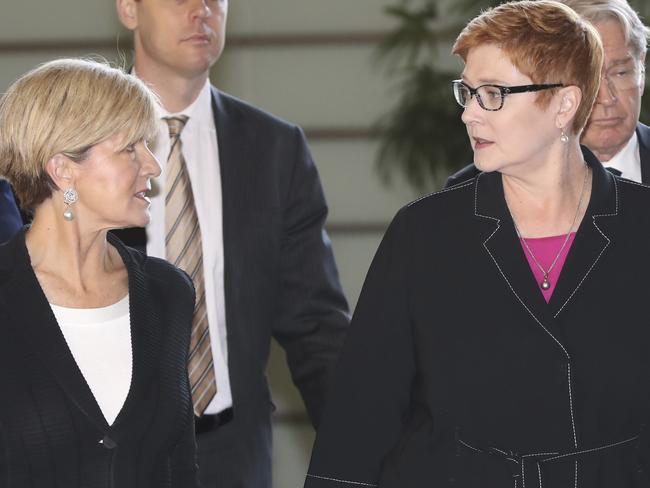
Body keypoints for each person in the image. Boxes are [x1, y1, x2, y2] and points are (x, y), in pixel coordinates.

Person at [304, 1, 650, 486]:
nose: (469, 114)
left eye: (493, 94)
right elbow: (359, 421)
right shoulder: (423, 234)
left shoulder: (641, 226)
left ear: (565, 104)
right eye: (466, 93)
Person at [113, 1, 350, 486]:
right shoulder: (78, 146)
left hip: (233, 455)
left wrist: (367, 451)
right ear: (129, 9)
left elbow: (316, 327)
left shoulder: (274, 148)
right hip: (109, 451)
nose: (202, 10)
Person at [0, 59, 199, 488]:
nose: (153, 166)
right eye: (131, 148)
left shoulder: (169, 292)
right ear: (63, 168)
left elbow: (180, 467)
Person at [447, 0, 650, 187]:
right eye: (590, 79)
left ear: (642, 66)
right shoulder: (464, 193)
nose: (606, 98)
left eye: (621, 72)